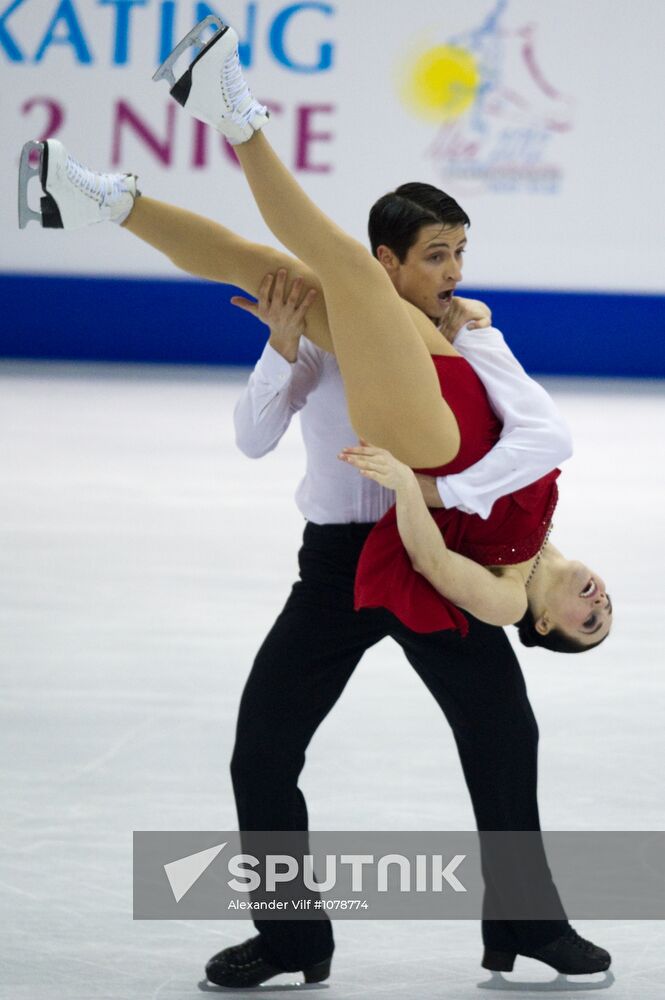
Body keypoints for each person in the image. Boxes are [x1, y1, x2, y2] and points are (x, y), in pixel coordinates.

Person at [15, 21, 612, 987]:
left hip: (433, 545)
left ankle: (527, 926)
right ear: (393, 261)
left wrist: (437, 485)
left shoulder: (468, 334)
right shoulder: (341, 315)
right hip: (337, 560)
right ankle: (293, 939)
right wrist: (285, 351)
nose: (452, 273)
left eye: (458, 254)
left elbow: (535, 439)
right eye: (435, 256)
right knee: (262, 753)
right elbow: (253, 439)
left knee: (505, 737)